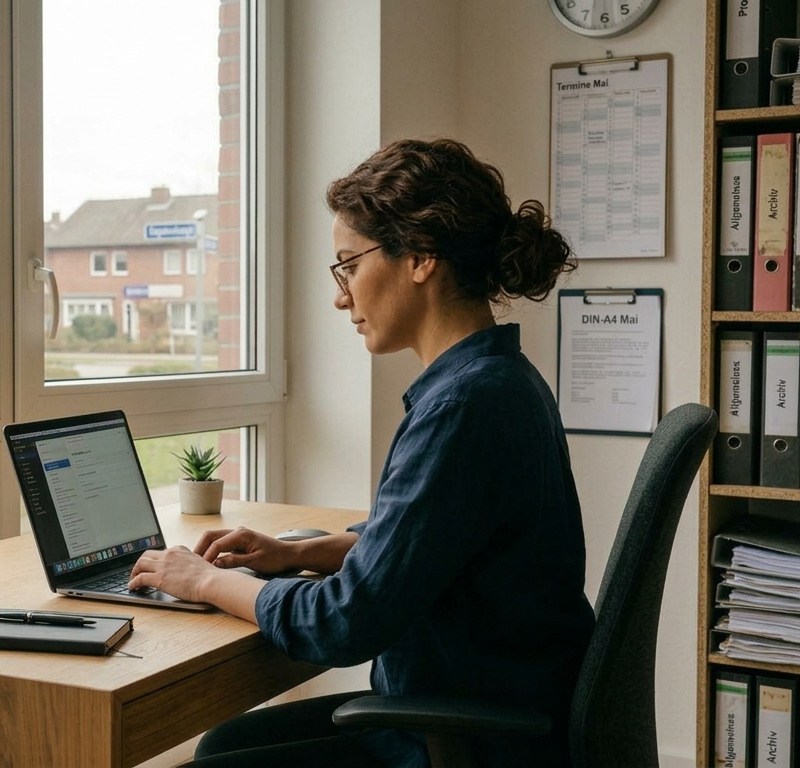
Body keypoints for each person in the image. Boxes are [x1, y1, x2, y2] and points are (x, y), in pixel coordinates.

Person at [126, 138, 596, 768]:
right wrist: (296, 552)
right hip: (484, 708)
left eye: (348, 264)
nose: (341, 295)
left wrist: (205, 580)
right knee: (225, 744)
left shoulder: (464, 407)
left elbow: (343, 622)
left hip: (469, 737)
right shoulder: (498, 379)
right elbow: (432, 545)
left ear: (421, 257)